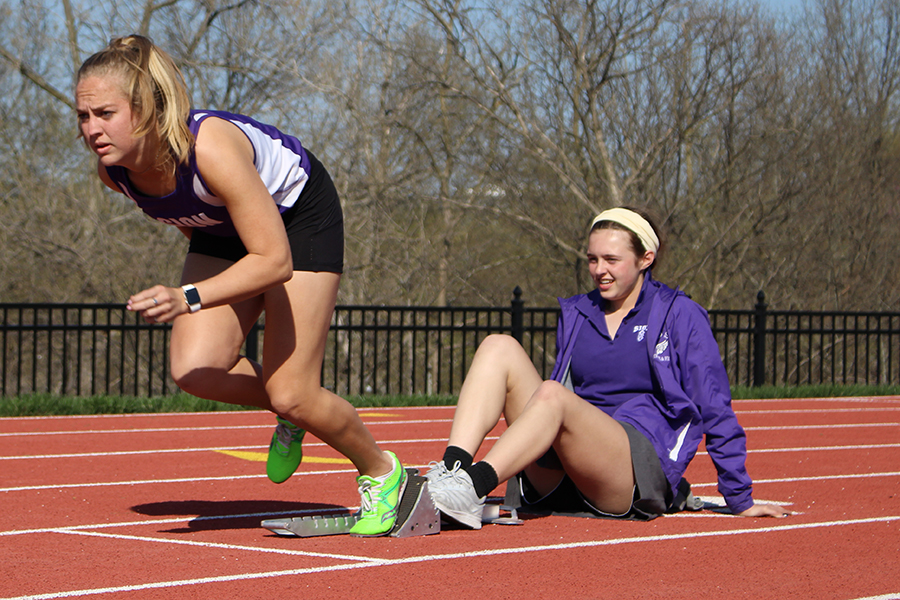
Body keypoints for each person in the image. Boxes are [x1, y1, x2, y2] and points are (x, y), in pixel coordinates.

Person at [74, 35, 405, 536]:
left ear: (145, 110)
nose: (92, 130)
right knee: (195, 370)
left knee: (292, 392)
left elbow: (274, 261)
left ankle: (383, 471)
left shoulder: (210, 148)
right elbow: (187, 216)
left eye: (105, 113)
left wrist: (186, 296)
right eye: (83, 116)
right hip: (223, 227)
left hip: (297, 220)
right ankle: (296, 405)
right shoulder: (113, 172)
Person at [425, 207, 790, 529]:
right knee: (497, 345)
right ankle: (452, 473)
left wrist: (738, 497)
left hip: (627, 472)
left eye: (611, 260)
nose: (600, 270)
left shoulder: (679, 314)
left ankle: (471, 488)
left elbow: (714, 405)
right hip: (565, 466)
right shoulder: (579, 312)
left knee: (554, 395)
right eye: (592, 259)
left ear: (645, 258)